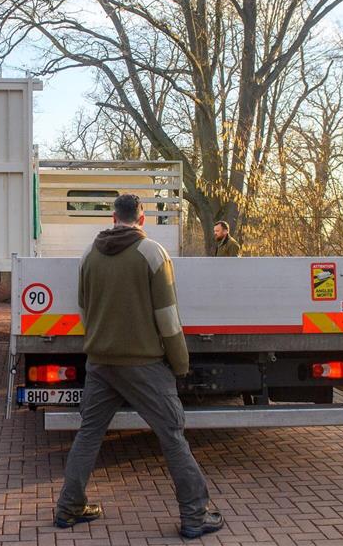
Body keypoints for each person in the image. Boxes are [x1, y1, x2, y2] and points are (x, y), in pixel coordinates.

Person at [54, 194, 224, 540]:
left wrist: (99, 343)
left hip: (101, 363)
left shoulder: (89, 254)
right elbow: (167, 318)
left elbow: (83, 309)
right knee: (172, 435)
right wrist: (180, 363)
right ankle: (195, 515)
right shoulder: (152, 253)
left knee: (88, 435)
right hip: (144, 365)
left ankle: (69, 508)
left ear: (114, 217)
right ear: (142, 219)